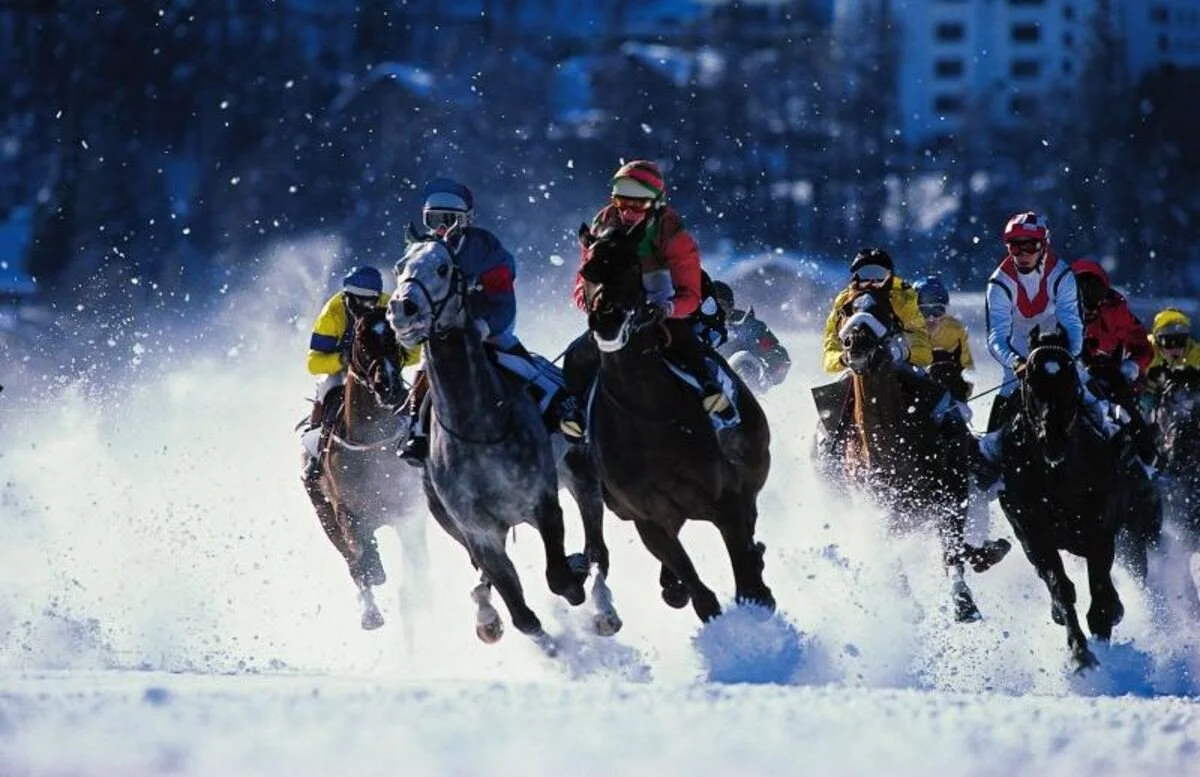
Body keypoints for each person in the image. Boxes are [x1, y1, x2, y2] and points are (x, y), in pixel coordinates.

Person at [398, 177, 575, 462]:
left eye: (450, 220)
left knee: (517, 362)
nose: (441, 229)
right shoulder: (421, 254)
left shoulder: (487, 250)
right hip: (442, 335)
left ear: (466, 220)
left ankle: (560, 406)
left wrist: (483, 326)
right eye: (433, 220)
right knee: (423, 372)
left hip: (487, 330)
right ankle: (416, 431)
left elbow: (503, 301)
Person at [567, 159, 731, 430]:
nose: (628, 212)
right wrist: (591, 303)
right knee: (577, 355)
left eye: (638, 204)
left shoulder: (673, 234)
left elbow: (691, 295)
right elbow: (582, 281)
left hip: (662, 305)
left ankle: (712, 397)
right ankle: (575, 410)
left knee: (686, 348)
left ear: (655, 203)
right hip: (618, 309)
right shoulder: (601, 226)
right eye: (622, 201)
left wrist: (665, 310)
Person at [301, 266, 415, 484]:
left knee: (405, 392)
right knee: (325, 390)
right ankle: (316, 454)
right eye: (358, 300)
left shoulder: (390, 305)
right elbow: (314, 362)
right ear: (346, 296)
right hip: (341, 368)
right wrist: (341, 360)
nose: (365, 306)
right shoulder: (333, 311)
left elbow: (414, 351)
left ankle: (416, 437)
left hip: (379, 365)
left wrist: (392, 361)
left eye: (371, 300)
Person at [1071, 258, 1156, 463]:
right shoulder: (1057, 312)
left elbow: (1143, 346)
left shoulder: (1116, 311)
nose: (1088, 307)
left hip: (1111, 380)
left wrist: (1133, 366)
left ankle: (1147, 467)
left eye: (1095, 295)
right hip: (1071, 378)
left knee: (1133, 422)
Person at [821, 247, 932, 374]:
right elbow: (830, 349)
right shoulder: (843, 302)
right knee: (831, 392)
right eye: (865, 275)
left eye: (879, 275)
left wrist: (901, 352)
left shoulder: (902, 300)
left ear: (889, 277)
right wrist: (843, 359)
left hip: (897, 367)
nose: (871, 282)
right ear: (855, 277)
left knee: (928, 388)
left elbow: (924, 351)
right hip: (853, 369)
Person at [711, 280, 792, 392]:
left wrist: (768, 377)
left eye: (721, 305)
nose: (716, 311)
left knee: (742, 358)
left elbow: (779, 358)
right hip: (704, 383)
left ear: (730, 308)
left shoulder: (749, 328)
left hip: (739, 383)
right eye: (710, 306)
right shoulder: (693, 326)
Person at [1143, 308, 1200, 412]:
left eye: (1180, 341)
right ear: (1158, 342)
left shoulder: (1194, 352)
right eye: (1168, 342)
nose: (1175, 348)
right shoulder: (1145, 349)